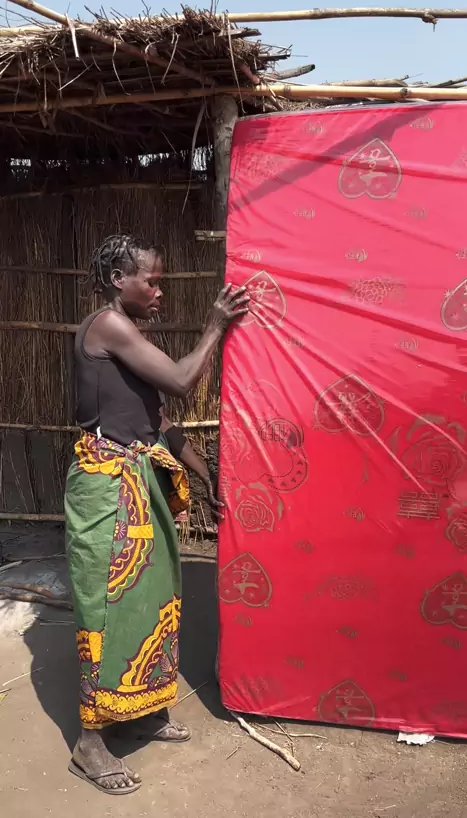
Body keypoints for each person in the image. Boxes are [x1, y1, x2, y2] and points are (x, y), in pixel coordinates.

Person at [65, 234, 248, 795]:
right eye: (151, 280)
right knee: (105, 608)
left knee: (148, 600)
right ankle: (90, 742)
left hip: (136, 481)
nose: (159, 290)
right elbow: (181, 381)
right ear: (119, 280)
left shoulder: (128, 336)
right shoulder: (107, 325)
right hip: (105, 486)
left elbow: (158, 421)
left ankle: (139, 708)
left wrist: (203, 471)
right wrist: (216, 325)